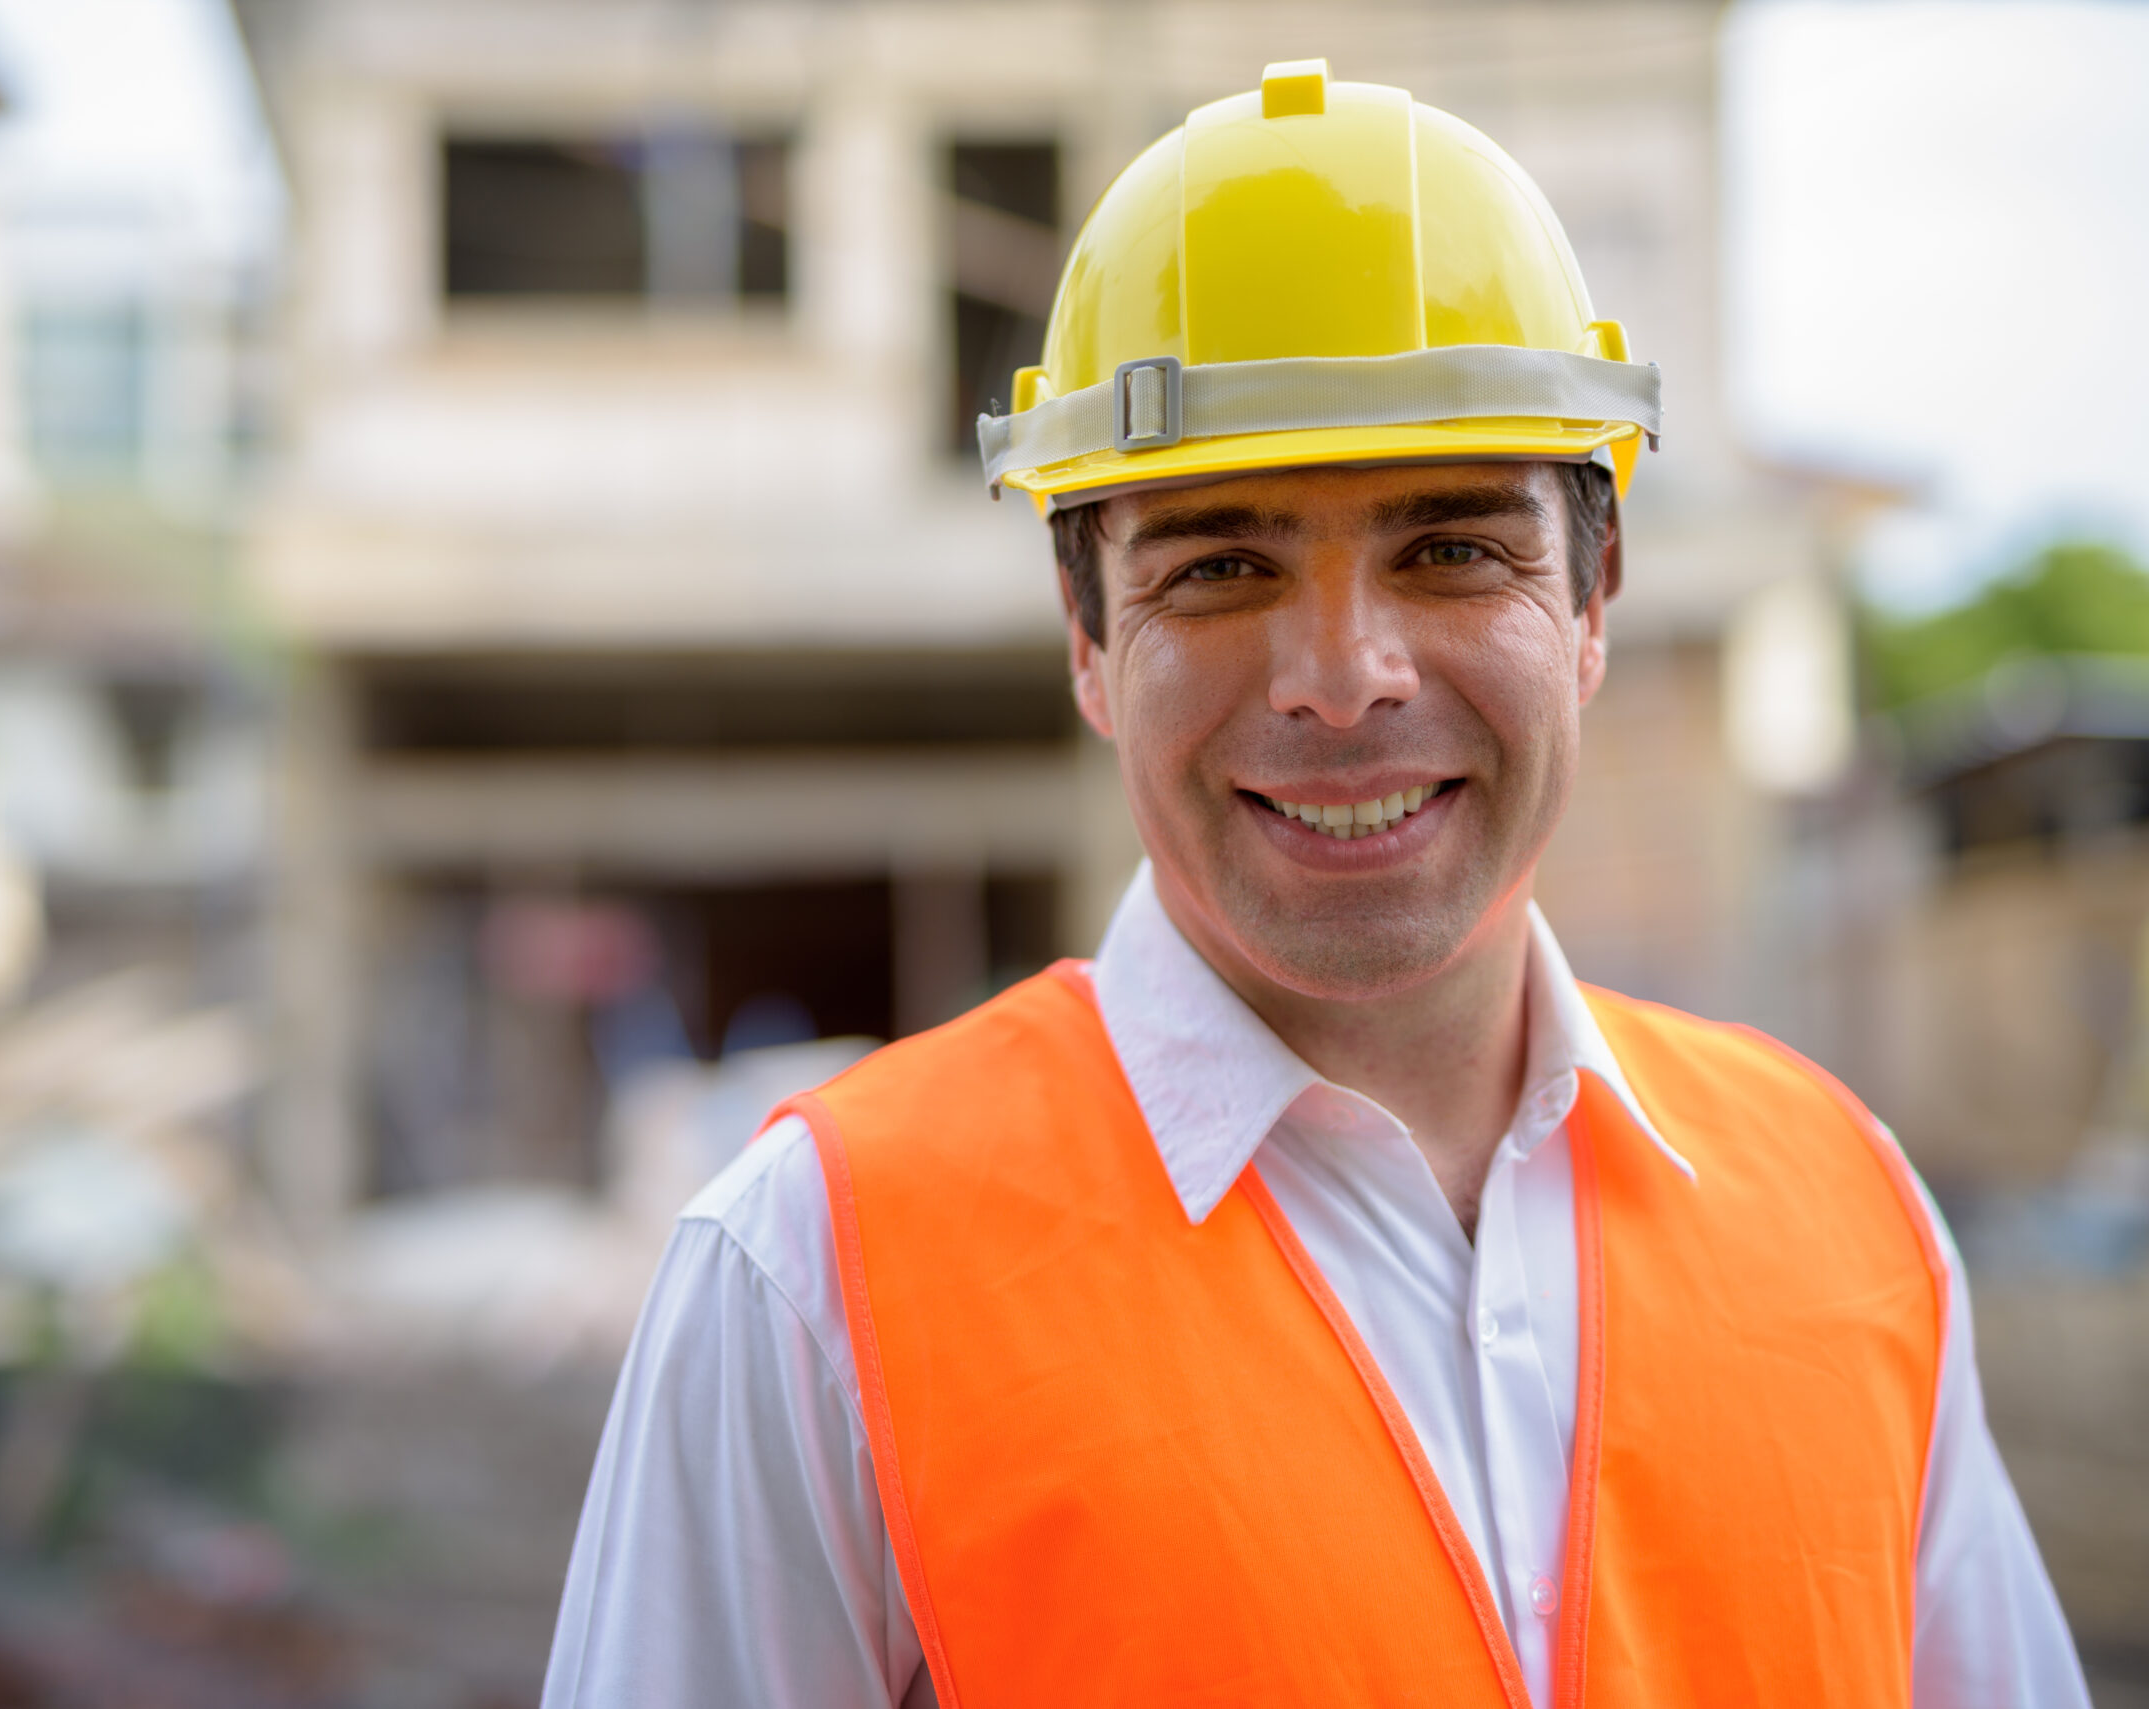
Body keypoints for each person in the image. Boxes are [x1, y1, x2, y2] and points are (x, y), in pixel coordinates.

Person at [543, 60, 2089, 1708]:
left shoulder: (1851, 1213)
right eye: (1220, 565)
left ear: (1593, 599)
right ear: (1088, 639)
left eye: (1452, 548)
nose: (1343, 678)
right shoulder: (813, 1279)